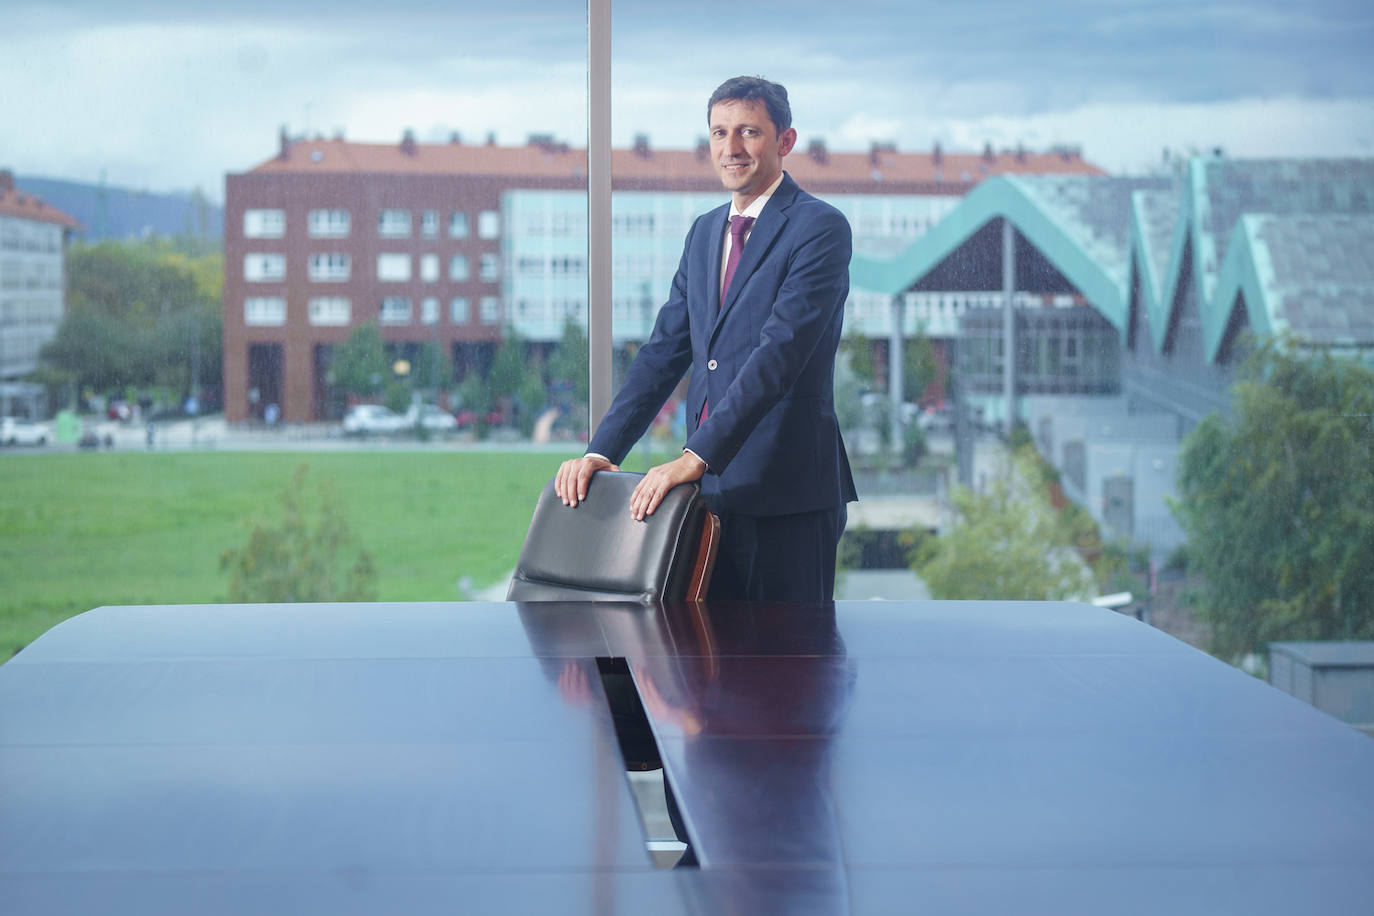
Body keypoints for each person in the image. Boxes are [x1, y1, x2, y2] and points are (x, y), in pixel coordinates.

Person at [554, 76, 856, 601]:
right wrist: (604, 451)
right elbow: (663, 353)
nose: (731, 149)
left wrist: (696, 454)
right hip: (709, 497)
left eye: (748, 132)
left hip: (787, 493)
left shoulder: (820, 229)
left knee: (790, 671)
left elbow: (778, 357)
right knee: (705, 667)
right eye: (719, 133)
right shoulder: (704, 233)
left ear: (785, 141)